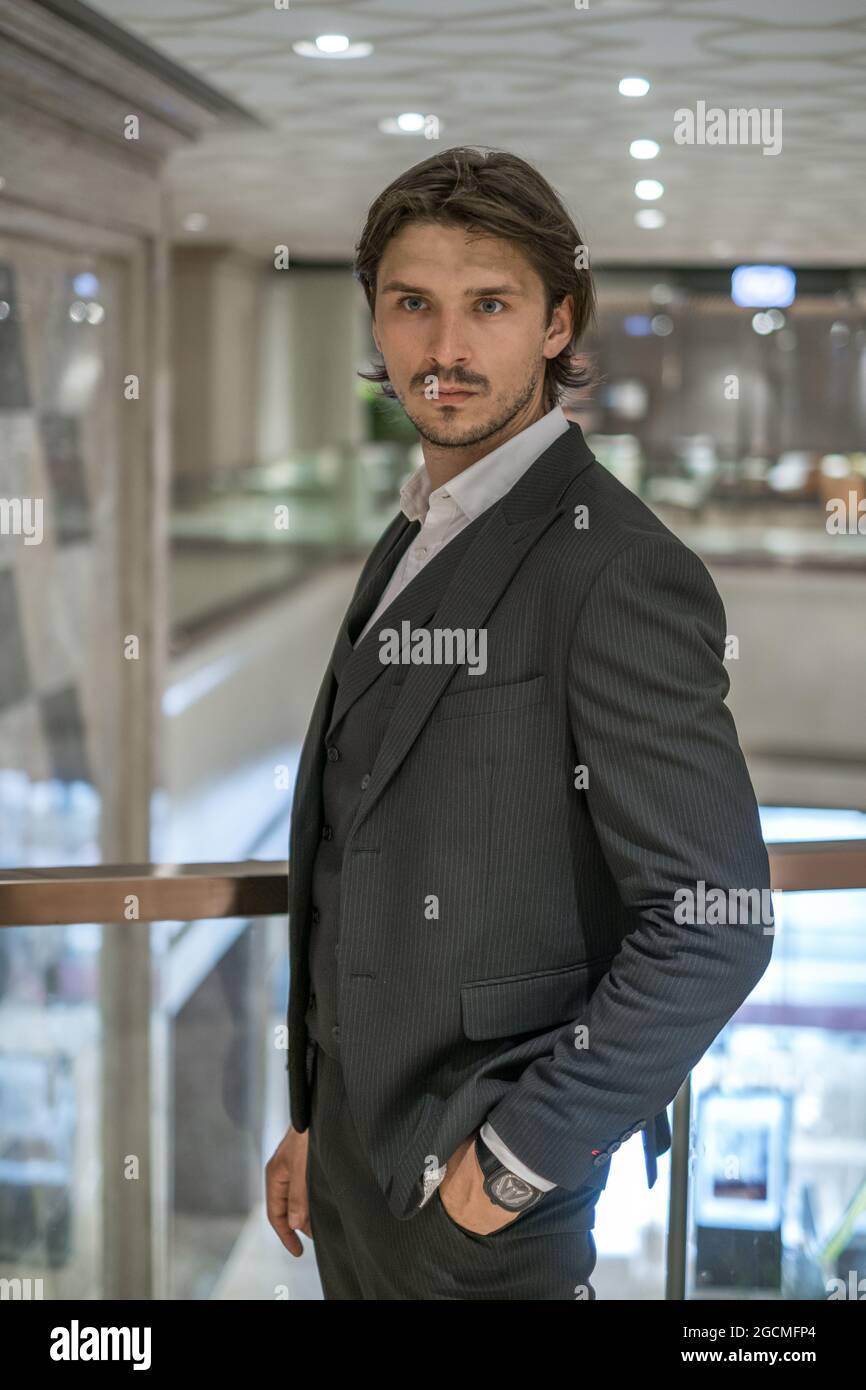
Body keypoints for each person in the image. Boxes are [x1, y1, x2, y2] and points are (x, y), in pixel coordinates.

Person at [265, 146, 774, 1300]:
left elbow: (712, 922)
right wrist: (317, 1120)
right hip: (349, 1173)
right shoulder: (417, 527)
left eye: (487, 305)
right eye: (412, 305)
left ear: (558, 321)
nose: (443, 350)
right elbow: (357, 851)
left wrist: (497, 1175)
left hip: (486, 1224)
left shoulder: (619, 571)